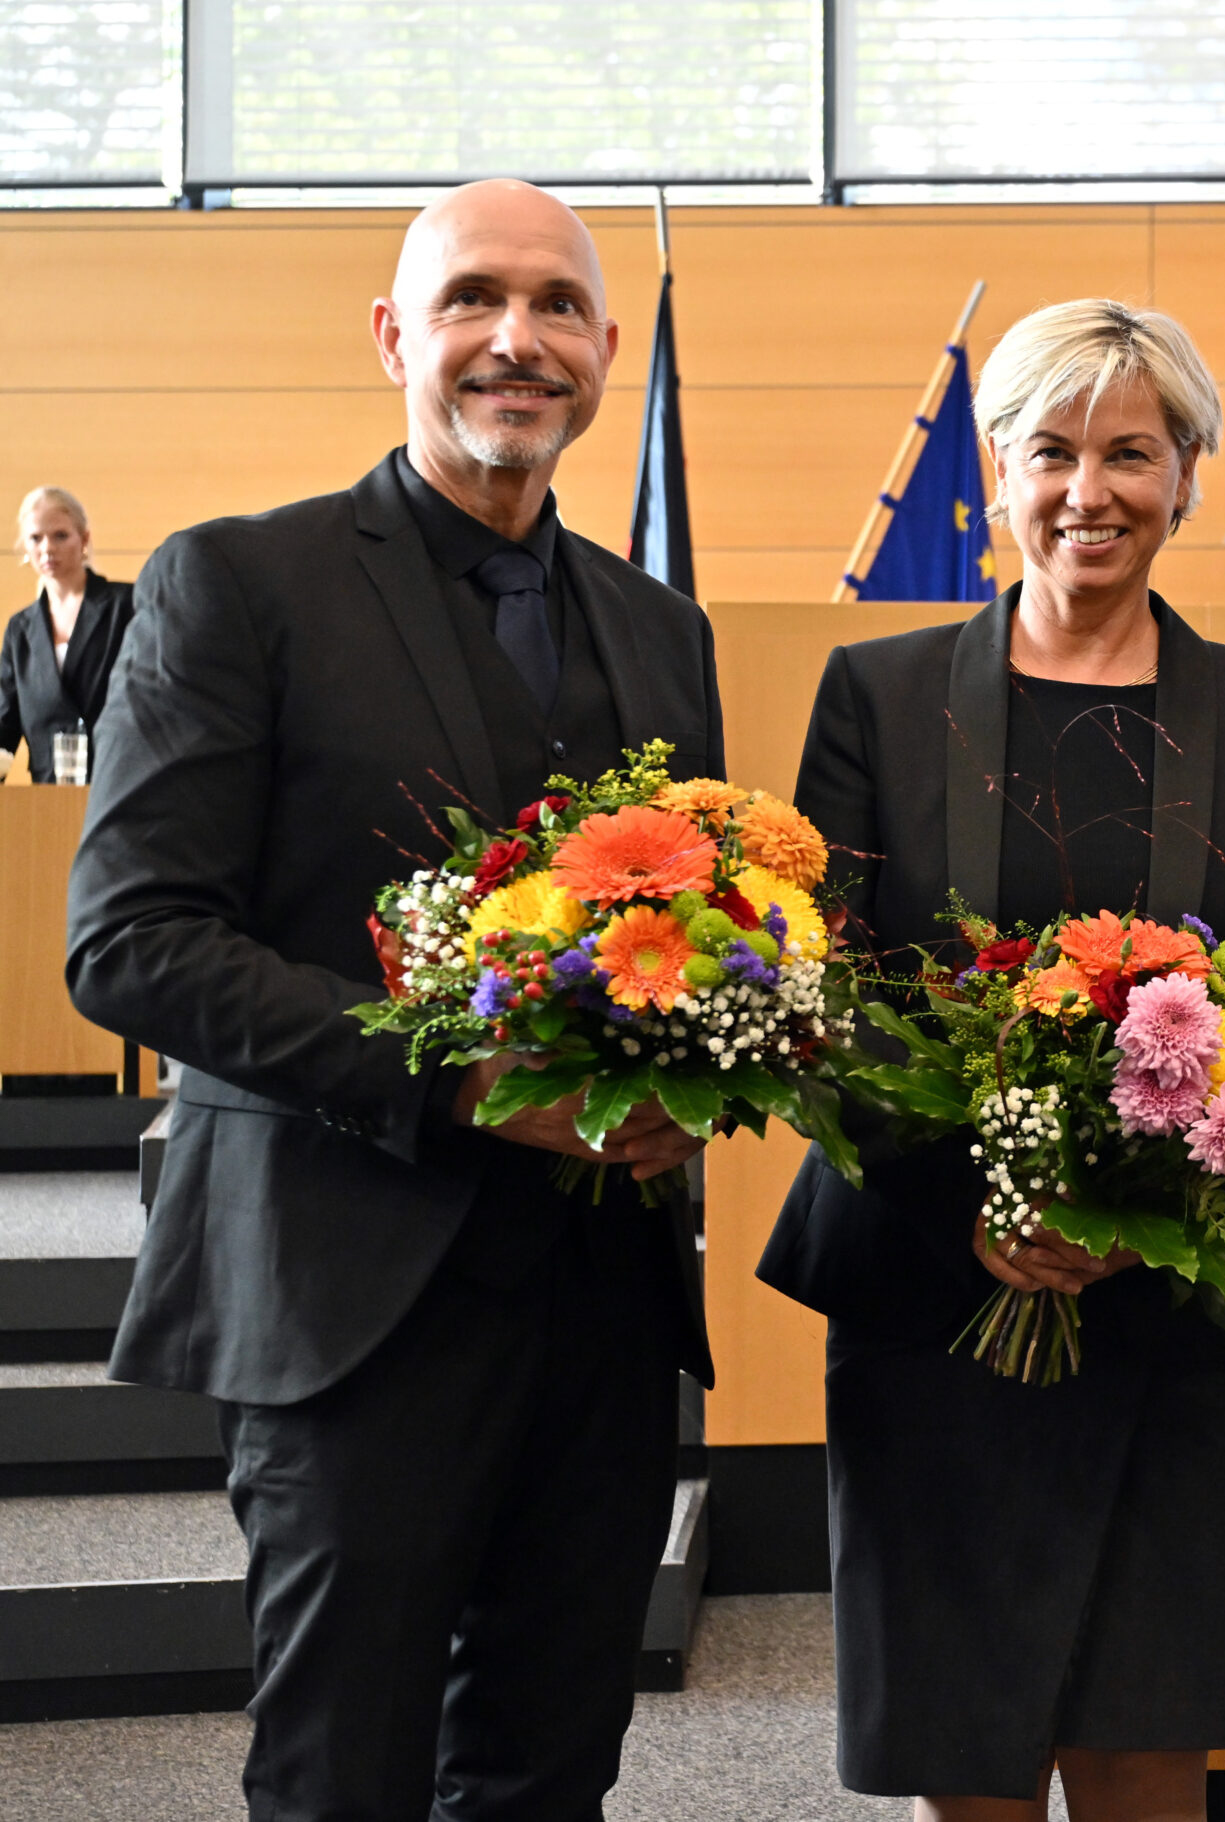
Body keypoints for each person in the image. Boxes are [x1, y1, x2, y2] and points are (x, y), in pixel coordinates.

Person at [64, 181, 723, 1820]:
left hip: (607, 1309)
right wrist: (465, 1080)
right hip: (347, 1293)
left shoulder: (663, 630)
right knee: (342, 1773)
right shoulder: (237, 583)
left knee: (548, 1764)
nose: (520, 338)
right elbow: (133, 940)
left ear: (604, 347)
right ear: (394, 337)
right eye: (474, 300)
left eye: (559, 305)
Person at [754, 299, 1225, 1822]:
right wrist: (988, 1198)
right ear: (1000, 471)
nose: (1092, 489)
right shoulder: (877, 698)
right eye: (1055, 450)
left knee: (1152, 1743)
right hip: (935, 1289)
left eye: (1134, 453)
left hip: (1170, 1306)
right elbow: (838, 988)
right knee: (965, 1749)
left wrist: (1142, 1190)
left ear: (1188, 477)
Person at [2, 486, 135, 781]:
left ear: (84, 539)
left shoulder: (125, 605)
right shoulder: (20, 630)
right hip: (50, 793)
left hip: (117, 780)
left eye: (60, 535)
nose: (47, 548)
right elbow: (5, 721)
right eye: (36, 538)